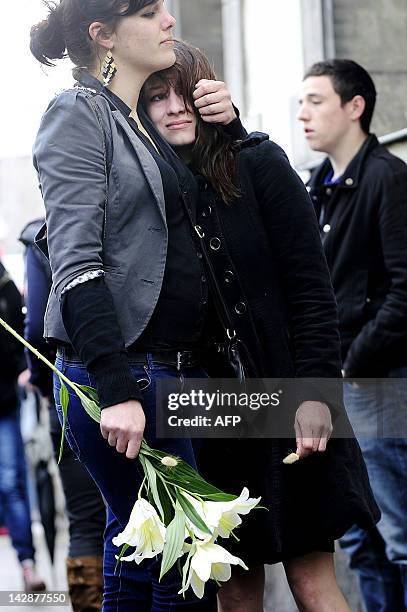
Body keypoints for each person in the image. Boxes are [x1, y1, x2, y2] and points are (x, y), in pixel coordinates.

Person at [141, 41, 380, 612]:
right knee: (236, 587)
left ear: (207, 95)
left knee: (311, 581)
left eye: (184, 93)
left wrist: (316, 394)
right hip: (209, 410)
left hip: (287, 394)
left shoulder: (259, 162)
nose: (174, 107)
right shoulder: (152, 187)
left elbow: (312, 292)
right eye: (157, 97)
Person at [30, 1, 242, 609]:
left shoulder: (133, 122)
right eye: (148, 12)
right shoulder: (77, 113)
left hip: (167, 371)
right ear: (104, 37)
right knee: (185, 567)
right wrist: (116, 387)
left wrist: (229, 125)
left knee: (149, 562)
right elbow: (76, 263)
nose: (169, 20)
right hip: (128, 374)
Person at [297, 59, 407, 611]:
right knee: (360, 539)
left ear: (354, 106)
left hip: (379, 384)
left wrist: (350, 362)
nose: (302, 114)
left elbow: (404, 293)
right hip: (336, 388)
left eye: (315, 100)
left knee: (400, 537)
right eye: (301, 102)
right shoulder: (317, 187)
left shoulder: (387, 178)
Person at [19, 219, 106, 612]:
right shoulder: (116, 220)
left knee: (84, 522)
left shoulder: (42, 235)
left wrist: (39, 378)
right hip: (139, 385)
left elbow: (36, 326)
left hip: (69, 393)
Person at [0, 260, 46, 592]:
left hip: (2, 400)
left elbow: (20, 330)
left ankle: (27, 564)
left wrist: (22, 370)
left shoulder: (2, 280)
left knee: (10, 482)